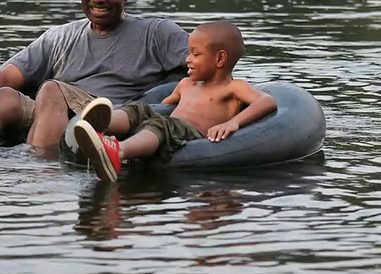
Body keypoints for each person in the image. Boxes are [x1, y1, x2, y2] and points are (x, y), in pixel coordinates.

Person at [0, 0, 188, 158]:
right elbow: (6, 75)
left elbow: (207, 64)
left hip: (106, 113)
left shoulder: (157, 32)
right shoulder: (60, 36)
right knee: (5, 96)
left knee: (52, 88)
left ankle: (39, 165)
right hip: (52, 111)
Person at [73, 21, 278, 182]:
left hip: (190, 136)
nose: (187, 59)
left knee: (162, 124)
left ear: (220, 59)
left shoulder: (233, 88)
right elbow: (159, 107)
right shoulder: (186, 85)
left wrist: (233, 122)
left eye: (195, 54)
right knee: (140, 110)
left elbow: (266, 101)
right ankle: (100, 124)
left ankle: (119, 152)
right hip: (170, 128)